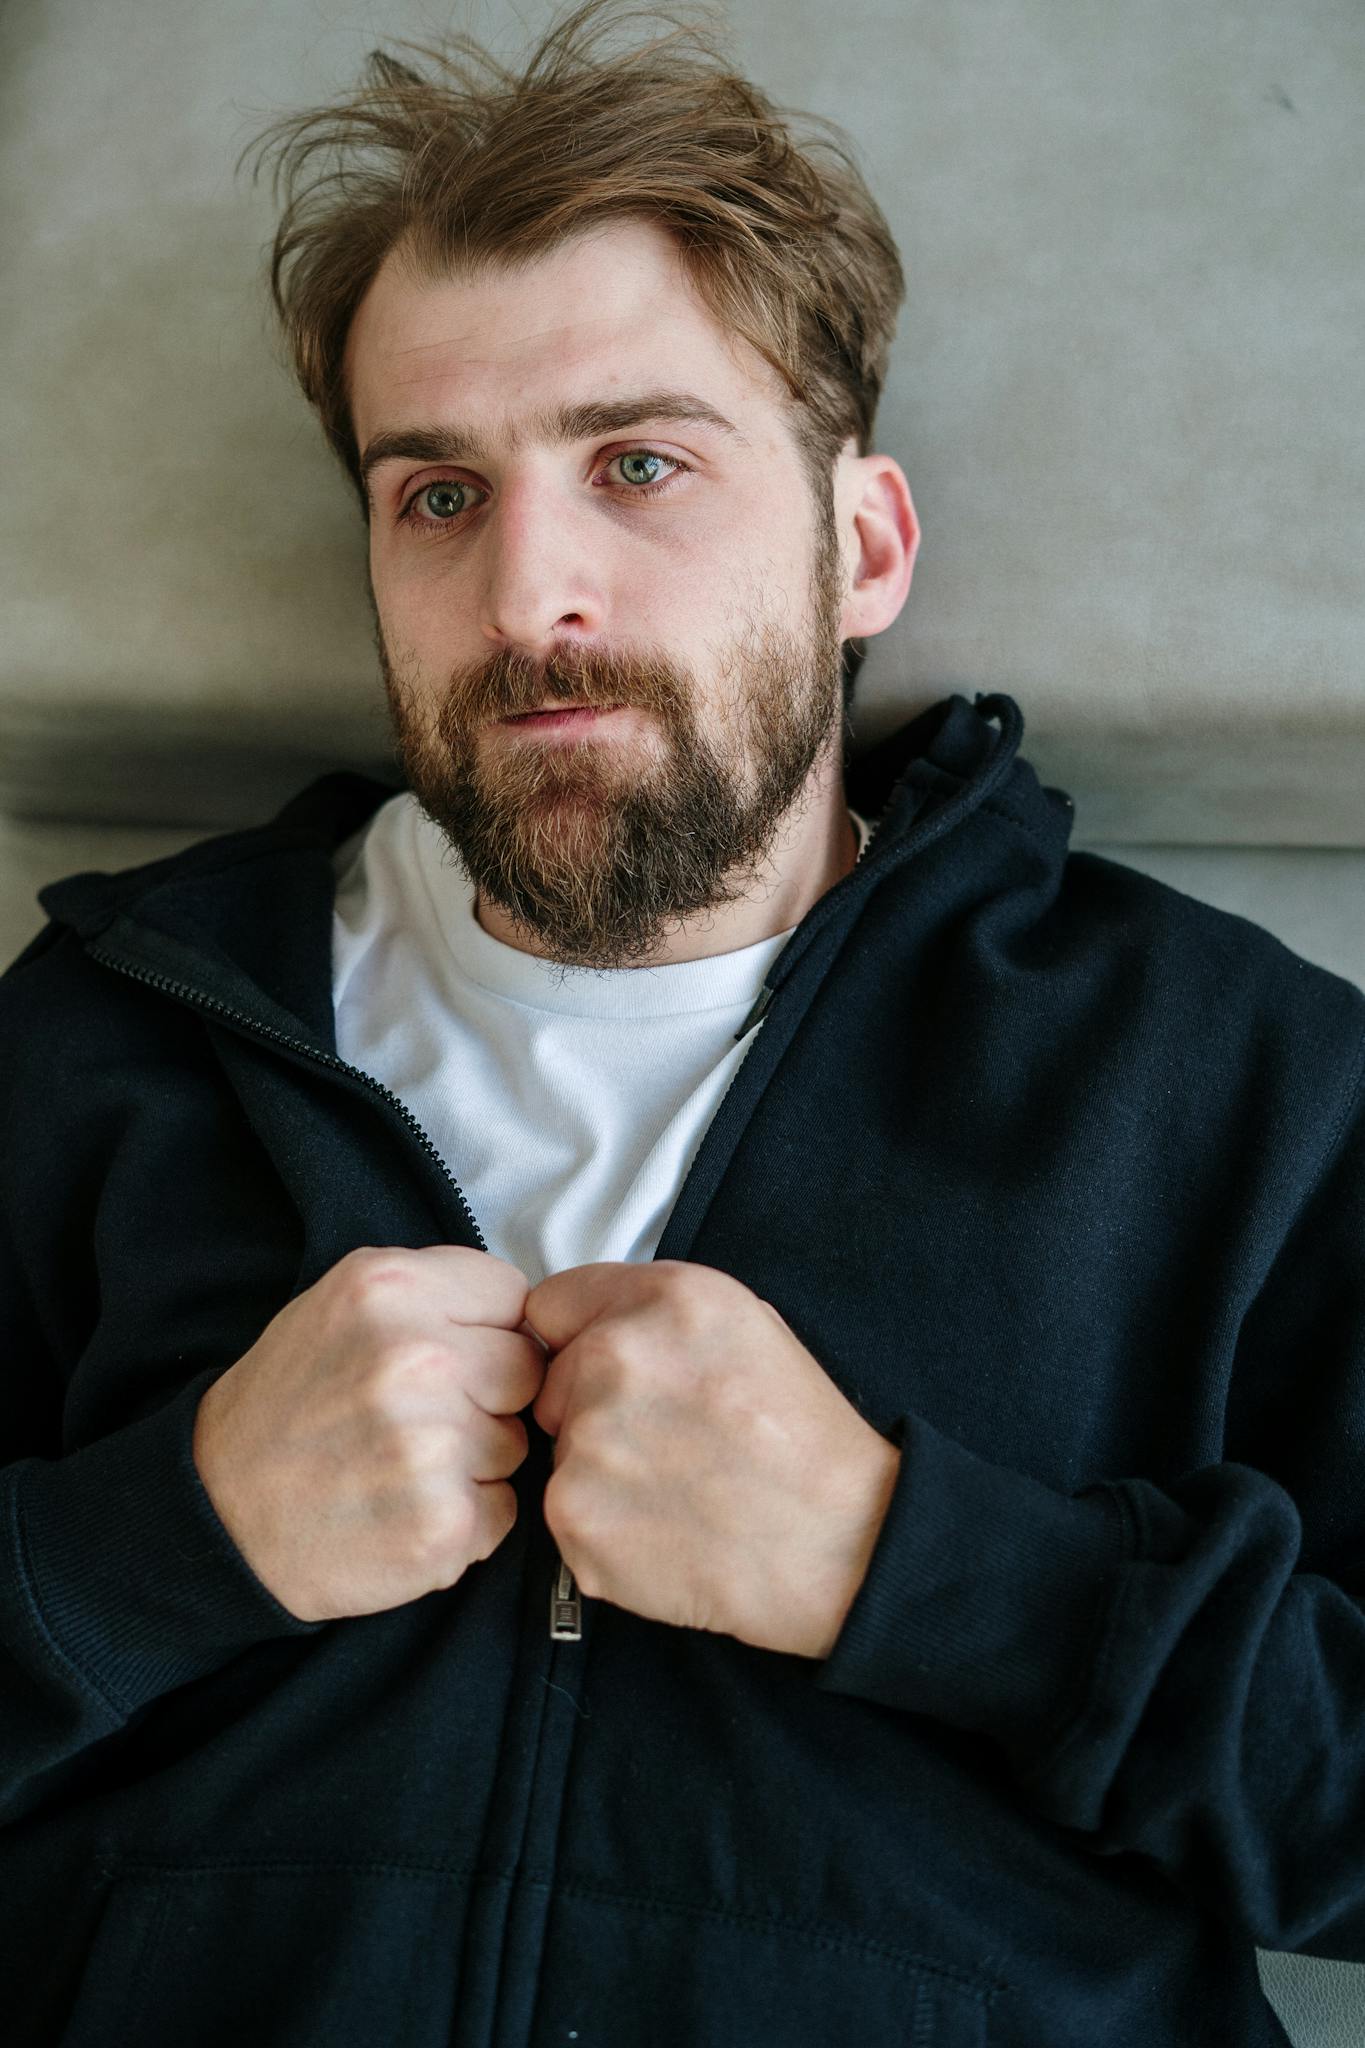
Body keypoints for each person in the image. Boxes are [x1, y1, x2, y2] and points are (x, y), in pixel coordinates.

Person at [1, 4, 1362, 2042]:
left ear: (860, 545)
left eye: (637, 464)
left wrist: (908, 1568)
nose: (530, 589)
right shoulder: (101, 1038)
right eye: (435, 494)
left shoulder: (1230, 1089)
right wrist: (150, 1547)